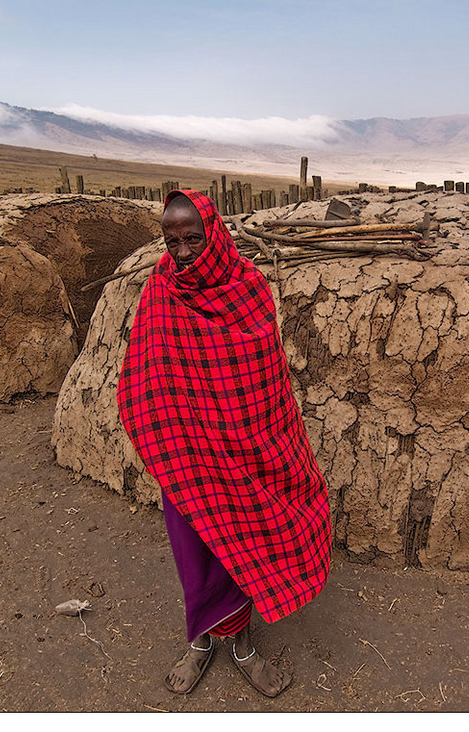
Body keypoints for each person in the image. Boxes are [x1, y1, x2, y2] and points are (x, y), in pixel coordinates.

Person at [117, 189, 331, 698]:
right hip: (185, 453)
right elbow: (149, 373)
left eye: (193, 238)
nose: (184, 252)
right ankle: (201, 641)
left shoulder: (247, 288)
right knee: (195, 551)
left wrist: (242, 433)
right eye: (172, 241)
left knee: (242, 541)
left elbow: (262, 379)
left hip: (244, 450)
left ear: (213, 233)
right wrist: (171, 429)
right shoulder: (160, 291)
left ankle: (241, 645)